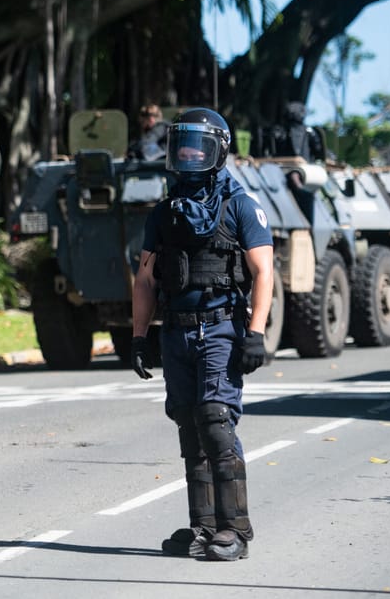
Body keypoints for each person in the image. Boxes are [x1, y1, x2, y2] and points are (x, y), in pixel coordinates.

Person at [129, 108, 274, 562]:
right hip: (176, 331)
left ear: (218, 150)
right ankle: (204, 526)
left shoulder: (241, 206)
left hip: (221, 328)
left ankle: (235, 529)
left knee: (215, 421)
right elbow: (146, 280)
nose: (188, 153)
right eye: (182, 145)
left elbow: (264, 271)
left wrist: (255, 333)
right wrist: (138, 338)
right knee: (189, 425)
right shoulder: (165, 212)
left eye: (198, 145)